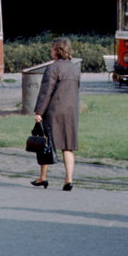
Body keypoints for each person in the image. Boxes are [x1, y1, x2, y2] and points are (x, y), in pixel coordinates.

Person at [32, 37, 80, 191]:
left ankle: (43, 177)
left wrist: (39, 111)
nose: (51, 51)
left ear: (57, 51)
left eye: (52, 49)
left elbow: (45, 92)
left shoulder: (52, 68)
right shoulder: (74, 68)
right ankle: (68, 179)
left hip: (54, 111)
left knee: (45, 143)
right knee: (68, 146)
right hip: (71, 111)